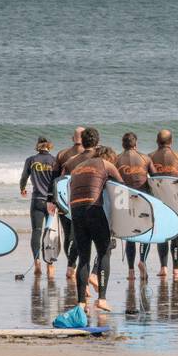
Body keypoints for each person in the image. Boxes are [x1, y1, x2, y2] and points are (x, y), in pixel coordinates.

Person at [54, 134, 122, 327]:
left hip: (76, 212)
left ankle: (81, 303)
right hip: (94, 209)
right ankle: (101, 298)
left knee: (83, 257)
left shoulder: (76, 168)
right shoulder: (105, 164)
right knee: (104, 251)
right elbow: (121, 187)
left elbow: (65, 189)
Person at [115, 132, 155, 281]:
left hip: (124, 200)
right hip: (143, 199)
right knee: (144, 234)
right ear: (135, 144)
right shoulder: (145, 158)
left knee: (130, 236)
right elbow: (156, 180)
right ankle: (142, 261)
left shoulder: (116, 159)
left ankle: (131, 272)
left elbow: (112, 182)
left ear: (123, 144)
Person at [150, 129, 178, 279]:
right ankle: (176, 269)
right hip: (177, 200)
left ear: (157, 141)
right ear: (171, 142)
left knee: (162, 234)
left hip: (159, 201)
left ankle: (163, 267)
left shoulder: (150, 157)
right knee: (176, 235)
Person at [46, 127, 85, 280]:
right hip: (84, 200)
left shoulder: (62, 154)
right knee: (81, 235)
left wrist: (51, 200)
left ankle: (71, 266)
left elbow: (54, 180)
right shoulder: (91, 154)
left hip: (64, 200)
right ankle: (77, 265)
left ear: (72, 138)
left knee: (68, 235)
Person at [20, 136, 57, 277]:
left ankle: (37, 264)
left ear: (37, 146)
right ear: (49, 146)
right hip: (51, 202)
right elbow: (58, 181)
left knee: (37, 231)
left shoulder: (31, 160)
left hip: (36, 200)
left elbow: (24, 177)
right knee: (50, 233)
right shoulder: (54, 160)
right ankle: (50, 265)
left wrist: (22, 188)